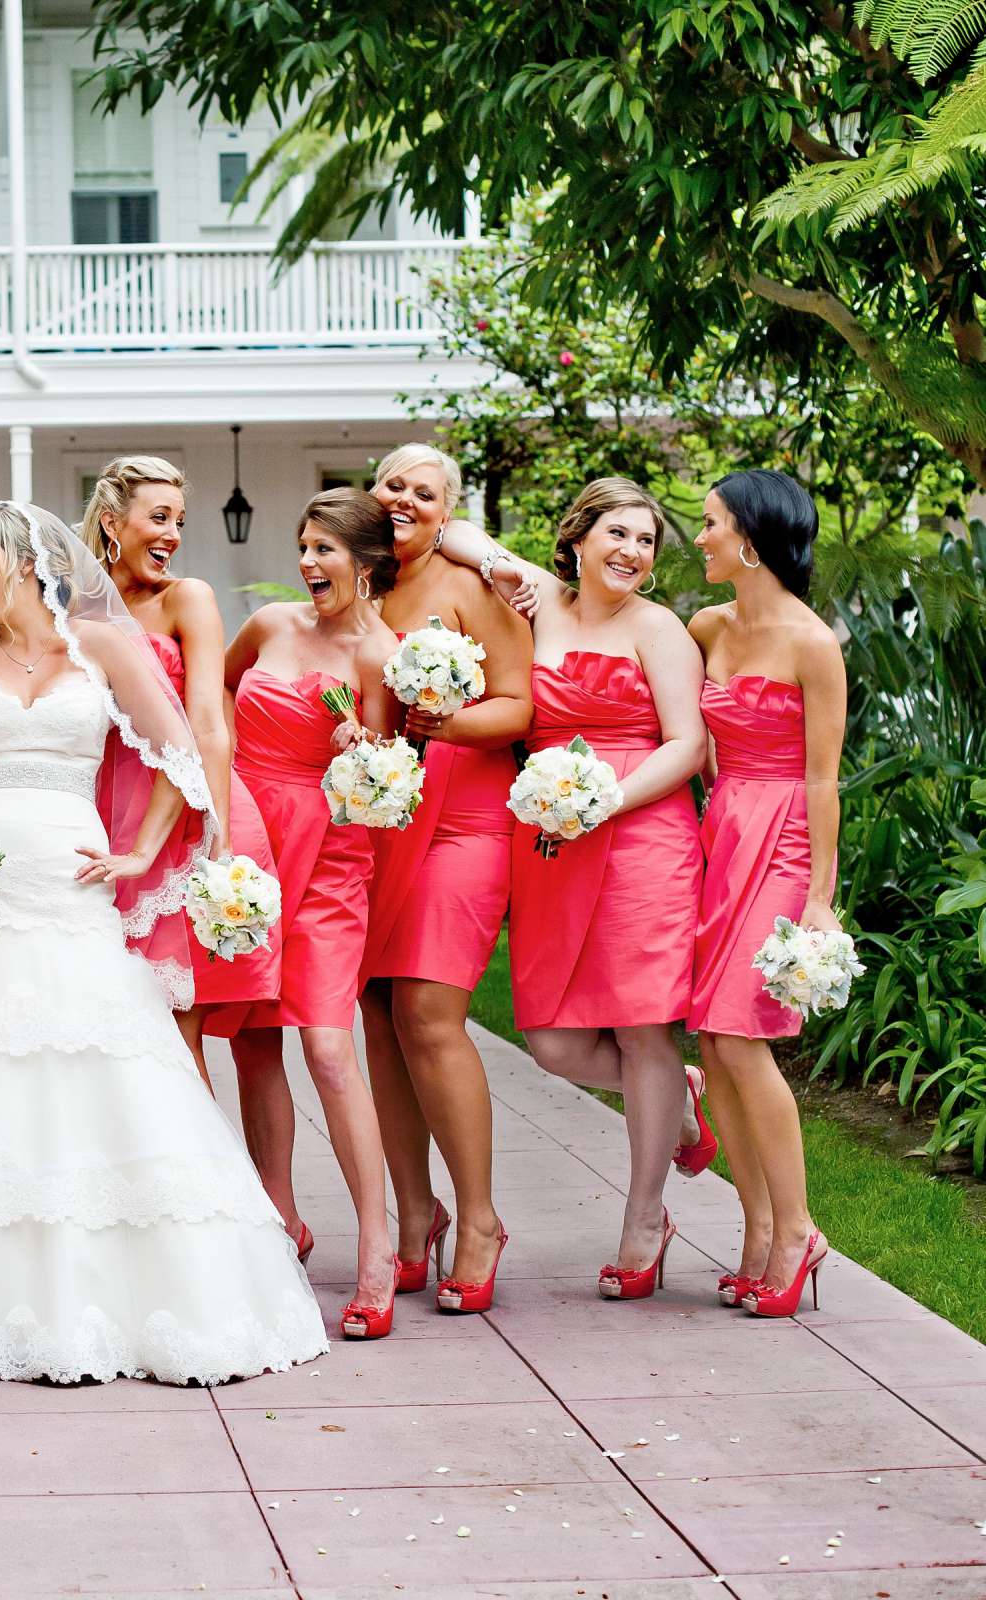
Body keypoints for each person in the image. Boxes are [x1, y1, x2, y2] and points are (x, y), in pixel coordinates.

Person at [0, 501, 326, 1383]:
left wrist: (141, 850)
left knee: (104, 1066)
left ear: (30, 560)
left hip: (75, 888)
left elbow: (178, 752)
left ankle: (142, 1296)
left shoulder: (103, 648)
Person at [438, 479, 709, 1298]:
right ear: (579, 537)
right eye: (618, 534)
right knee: (554, 1041)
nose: (632, 552)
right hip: (551, 835)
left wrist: (605, 801)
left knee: (641, 1029)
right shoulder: (538, 603)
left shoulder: (658, 629)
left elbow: (688, 744)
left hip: (642, 829)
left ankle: (644, 1217)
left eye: (647, 541)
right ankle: (679, 1106)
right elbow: (448, 528)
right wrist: (495, 561)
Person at [214, 488, 407, 1337]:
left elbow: (388, 780)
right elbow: (214, 699)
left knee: (329, 1048)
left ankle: (378, 1242)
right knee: (254, 1037)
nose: (308, 563)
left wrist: (360, 753)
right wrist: (222, 805)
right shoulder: (270, 629)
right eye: (304, 547)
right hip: (247, 843)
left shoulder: (384, 655)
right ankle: (277, 1221)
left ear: (365, 563)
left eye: (324, 549)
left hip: (329, 854)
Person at [358, 444, 532, 1311]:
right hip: (379, 818)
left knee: (429, 1011)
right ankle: (413, 1211)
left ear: (447, 511)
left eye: (424, 492)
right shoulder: (357, 584)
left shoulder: (471, 588)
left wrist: (449, 721)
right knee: (378, 1016)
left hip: (463, 818)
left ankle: (480, 1218)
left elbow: (519, 703)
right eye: (393, 483)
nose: (404, 499)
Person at [686, 469, 843, 1317]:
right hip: (723, 834)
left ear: (749, 535)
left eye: (709, 524)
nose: (699, 537)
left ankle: (798, 1230)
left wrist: (820, 896)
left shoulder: (813, 644)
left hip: (782, 837)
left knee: (743, 1038)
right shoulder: (707, 623)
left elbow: (825, 779)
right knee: (711, 1046)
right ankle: (753, 1229)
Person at [82, 455, 282, 1077]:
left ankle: (199, 1175)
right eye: (158, 518)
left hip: (189, 814)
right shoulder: (71, 613)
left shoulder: (186, 599)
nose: (172, 534)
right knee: (104, 1022)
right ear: (113, 524)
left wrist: (217, 841)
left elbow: (207, 724)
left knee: (175, 1024)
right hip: (96, 814)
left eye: (180, 521)